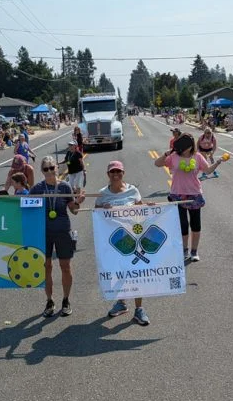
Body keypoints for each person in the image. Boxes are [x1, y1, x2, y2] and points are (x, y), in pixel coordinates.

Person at [95, 160, 152, 326]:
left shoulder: (133, 190)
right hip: (114, 241)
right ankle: (121, 303)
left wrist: (150, 207)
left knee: (136, 274)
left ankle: (139, 310)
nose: (115, 175)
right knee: (118, 273)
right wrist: (101, 209)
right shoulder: (102, 193)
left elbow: (141, 212)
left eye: (118, 171)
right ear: (108, 175)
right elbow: (97, 217)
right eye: (112, 172)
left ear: (123, 173)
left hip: (133, 238)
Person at [29, 156, 85, 318]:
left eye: (51, 168)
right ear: (42, 171)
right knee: (46, 267)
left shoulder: (65, 187)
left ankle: (66, 300)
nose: (49, 171)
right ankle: (49, 301)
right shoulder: (37, 189)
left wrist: (78, 201)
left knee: (65, 267)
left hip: (62, 231)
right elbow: (27, 210)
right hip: (44, 233)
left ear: (56, 169)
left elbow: (73, 211)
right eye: (45, 169)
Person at [154, 134, 223, 262]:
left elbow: (207, 171)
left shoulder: (197, 157)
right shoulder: (173, 157)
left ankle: (194, 251)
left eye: (183, 145)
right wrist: (166, 153)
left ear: (190, 146)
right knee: (183, 224)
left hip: (194, 194)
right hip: (177, 194)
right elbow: (157, 163)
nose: (181, 147)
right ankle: (184, 250)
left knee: (195, 224)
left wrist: (218, 163)